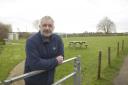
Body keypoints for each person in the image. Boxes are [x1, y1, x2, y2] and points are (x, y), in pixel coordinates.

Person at [24, 16, 64, 85]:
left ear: (53, 27)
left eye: (50, 26)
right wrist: (55, 61)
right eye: (44, 25)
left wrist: (43, 62)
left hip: (49, 78)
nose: (47, 28)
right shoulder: (31, 41)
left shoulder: (57, 39)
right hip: (33, 80)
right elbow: (35, 64)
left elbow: (61, 57)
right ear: (40, 27)